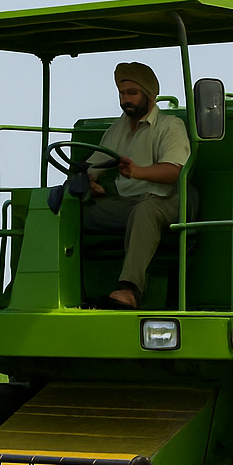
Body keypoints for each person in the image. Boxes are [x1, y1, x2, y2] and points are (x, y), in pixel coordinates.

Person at [84, 62, 191, 308]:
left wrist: (137, 172)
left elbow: (175, 172)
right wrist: (89, 184)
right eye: (122, 94)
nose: (125, 100)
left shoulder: (170, 126)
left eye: (132, 93)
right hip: (127, 200)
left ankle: (129, 289)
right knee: (66, 208)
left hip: (172, 198)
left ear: (150, 95)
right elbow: (94, 166)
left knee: (146, 211)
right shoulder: (117, 129)